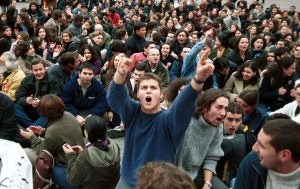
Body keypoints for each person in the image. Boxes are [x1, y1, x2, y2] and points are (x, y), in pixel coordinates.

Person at [107, 53, 214, 188]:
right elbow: (115, 97)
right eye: (144, 88)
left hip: (158, 185)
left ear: (161, 94)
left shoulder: (169, 120)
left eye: (153, 88)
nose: (148, 91)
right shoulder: (132, 112)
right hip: (127, 181)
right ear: (138, 94)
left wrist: (198, 79)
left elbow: (183, 104)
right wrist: (121, 72)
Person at [20, 94, 85, 189]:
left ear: (43, 112)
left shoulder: (53, 130)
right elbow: (61, 134)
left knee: (27, 153)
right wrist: (43, 132)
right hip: (80, 161)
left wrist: (32, 137)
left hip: (68, 169)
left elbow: (42, 152)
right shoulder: (69, 115)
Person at [175, 88, 229, 189]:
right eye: (219, 107)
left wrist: (207, 184)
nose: (223, 113)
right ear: (205, 107)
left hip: (196, 173)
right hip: (172, 173)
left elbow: (211, 157)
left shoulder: (218, 128)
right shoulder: (186, 120)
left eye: (226, 108)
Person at [233, 118, 300, 189]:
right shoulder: (252, 162)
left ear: (284, 155)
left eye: (261, 145)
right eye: (257, 141)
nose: (254, 148)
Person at [63, 115, 120, 189]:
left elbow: (72, 179)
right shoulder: (115, 145)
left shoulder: (85, 156)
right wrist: (83, 152)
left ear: (86, 133)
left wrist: (70, 156)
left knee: (55, 171)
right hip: (113, 186)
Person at [15, 59, 59, 128]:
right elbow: (18, 96)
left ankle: (30, 127)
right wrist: (26, 100)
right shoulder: (27, 79)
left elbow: (54, 98)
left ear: (44, 69)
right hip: (29, 107)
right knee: (14, 107)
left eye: (40, 69)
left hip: (44, 109)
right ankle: (32, 126)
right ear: (32, 71)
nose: (38, 72)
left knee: (51, 113)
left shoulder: (52, 80)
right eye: (35, 70)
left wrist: (41, 102)